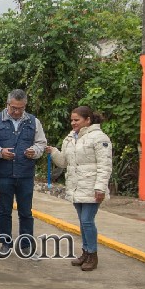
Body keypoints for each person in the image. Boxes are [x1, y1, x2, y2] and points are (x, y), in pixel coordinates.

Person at [46, 106, 112, 271]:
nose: (73, 123)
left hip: (91, 186)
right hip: (76, 187)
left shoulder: (99, 138)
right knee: (83, 222)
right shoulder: (70, 138)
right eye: (72, 120)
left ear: (88, 120)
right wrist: (53, 151)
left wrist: (100, 188)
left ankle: (92, 255)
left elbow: (105, 165)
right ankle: (85, 252)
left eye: (77, 120)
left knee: (87, 221)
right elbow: (64, 162)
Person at [0, 89, 47, 256]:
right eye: (13, 108)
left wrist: (34, 151)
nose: (16, 111)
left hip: (25, 174)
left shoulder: (33, 121)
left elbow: (41, 143)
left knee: (26, 211)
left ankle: (26, 244)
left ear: (25, 106)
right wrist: (0, 152)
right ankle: (5, 243)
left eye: (20, 108)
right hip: (4, 174)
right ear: (7, 104)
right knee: (4, 210)